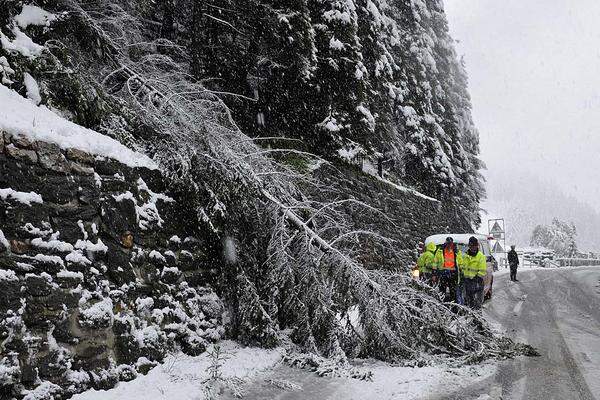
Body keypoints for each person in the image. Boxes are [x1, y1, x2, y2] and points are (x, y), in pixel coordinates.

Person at [461, 236, 487, 310]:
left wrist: (477, 279)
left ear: (476, 246)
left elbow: (482, 270)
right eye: (470, 246)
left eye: (473, 246)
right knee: (469, 303)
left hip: (477, 282)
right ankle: (471, 318)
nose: (472, 247)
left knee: (477, 304)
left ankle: (478, 319)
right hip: (468, 282)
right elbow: (463, 268)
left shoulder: (480, 256)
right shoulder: (466, 256)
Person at [434, 237, 461, 302]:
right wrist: (434, 273)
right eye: (448, 244)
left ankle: (453, 306)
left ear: (452, 244)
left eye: (450, 244)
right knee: (442, 291)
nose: (449, 245)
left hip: (453, 273)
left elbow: (460, 262)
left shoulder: (456, 251)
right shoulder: (440, 251)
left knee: (453, 293)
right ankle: (441, 305)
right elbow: (435, 262)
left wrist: (461, 271)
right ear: (445, 243)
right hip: (443, 273)